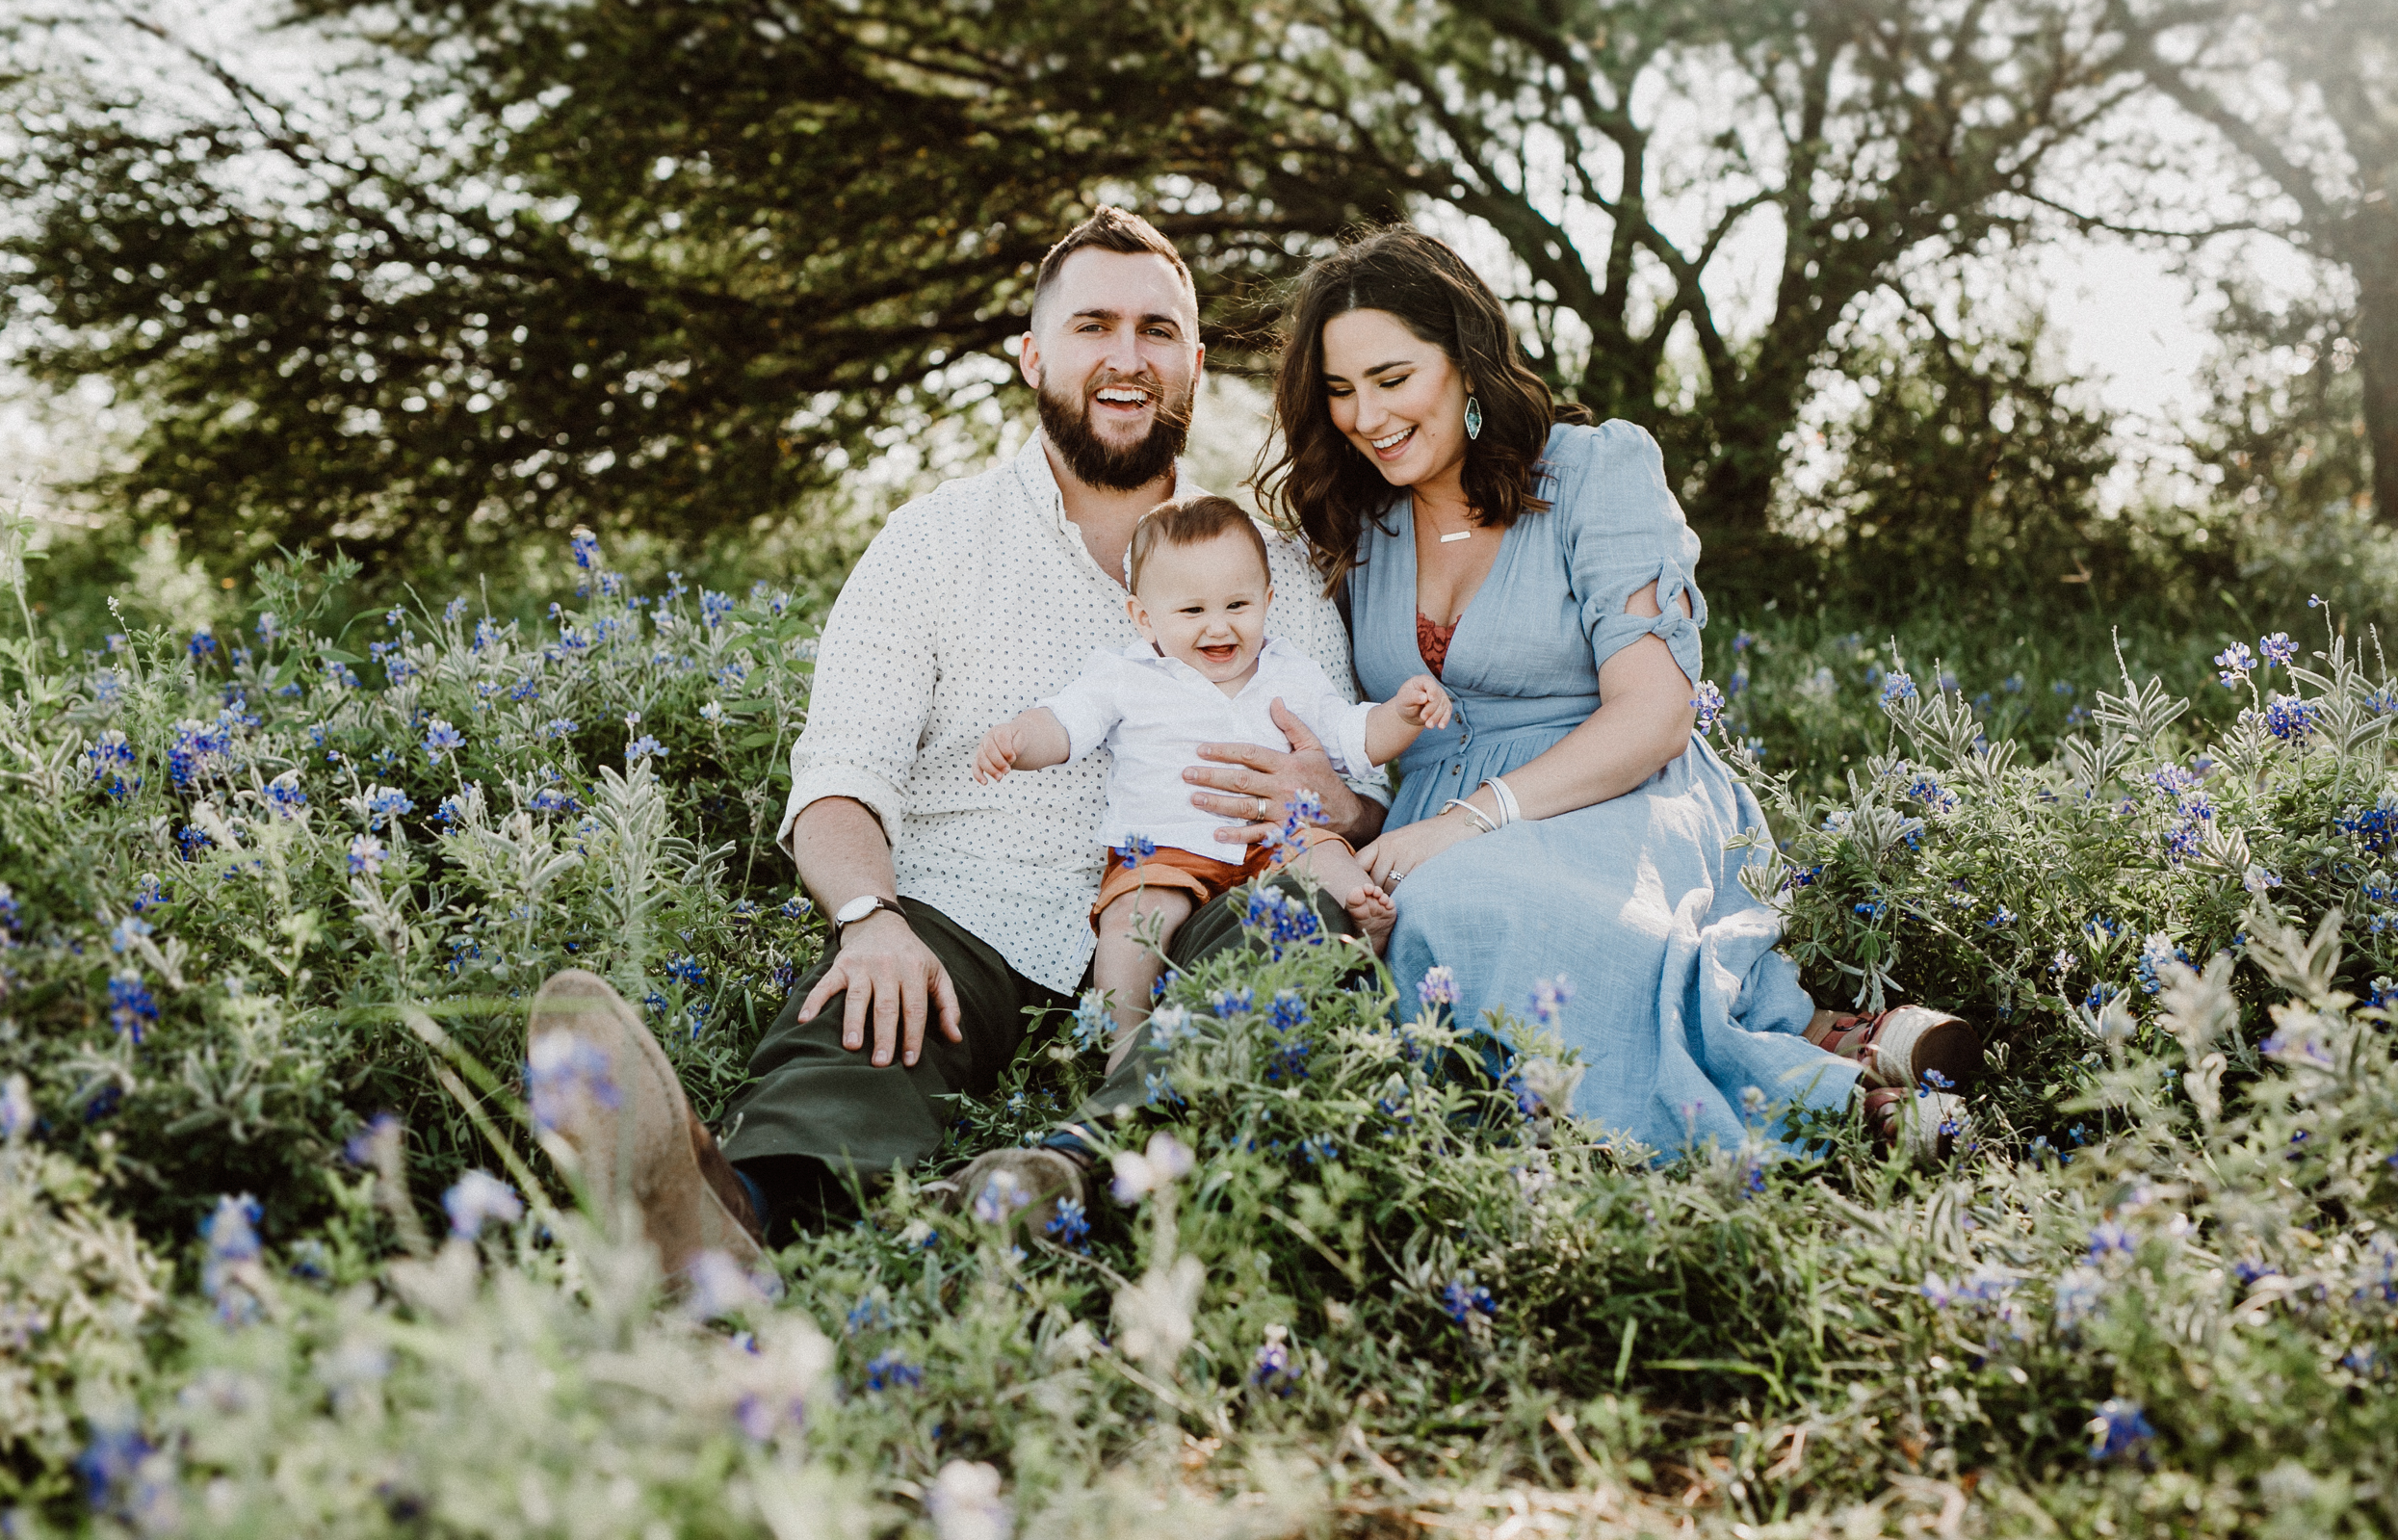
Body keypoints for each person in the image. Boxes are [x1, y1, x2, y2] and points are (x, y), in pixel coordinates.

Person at [526, 206, 1385, 1271]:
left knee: (1301, 926)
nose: (1127, 358)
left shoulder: (1268, 562)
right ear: (1032, 355)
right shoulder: (933, 540)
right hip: (974, 914)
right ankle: (727, 1212)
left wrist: (1339, 803)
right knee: (862, 1015)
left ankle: (1061, 1175)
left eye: (1157, 332)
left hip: (1196, 900)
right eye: (1093, 326)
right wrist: (868, 916)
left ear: (1196, 365)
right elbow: (841, 776)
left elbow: (1359, 784)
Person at [1253, 225, 1981, 1158]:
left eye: (1392, 379)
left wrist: (1471, 820)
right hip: (1430, 816)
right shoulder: (1357, 520)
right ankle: (1826, 1037)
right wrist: (1350, 803)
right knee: (1374, 920)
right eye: (1340, 391)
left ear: (1466, 362)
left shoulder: (1593, 472)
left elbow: (1655, 710)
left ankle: (1826, 1109)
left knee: (1465, 906)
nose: (1365, 416)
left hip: (1614, 787)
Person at [974, 494, 1450, 1057]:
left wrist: (1402, 714)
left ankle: (1360, 922)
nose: (1218, 627)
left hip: (1275, 838)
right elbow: (1066, 725)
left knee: (1322, 852)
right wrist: (1019, 739)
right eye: (1192, 611)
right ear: (1143, 617)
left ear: (1269, 600)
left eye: (1238, 605)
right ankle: (1121, 1043)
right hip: (1160, 849)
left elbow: (1353, 737)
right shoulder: (1126, 675)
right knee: (1132, 920)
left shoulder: (1290, 670)